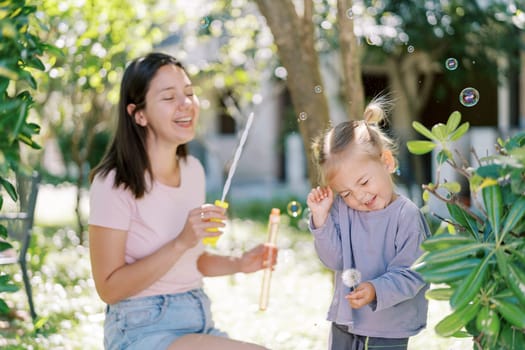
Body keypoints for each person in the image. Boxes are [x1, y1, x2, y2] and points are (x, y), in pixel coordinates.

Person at [88, 52, 275, 350]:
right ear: (139, 114)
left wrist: (240, 263)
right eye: (169, 97)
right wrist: (180, 241)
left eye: (189, 93)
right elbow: (108, 288)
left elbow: (192, 263)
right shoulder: (113, 183)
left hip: (198, 320)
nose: (186, 103)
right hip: (141, 329)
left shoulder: (193, 172)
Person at [306, 98, 431, 350]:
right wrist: (321, 219)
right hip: (346, 321)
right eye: (346, 193)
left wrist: (376, 289)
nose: (359, 197)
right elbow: (335, 261)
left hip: (388, 328)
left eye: (363, 183)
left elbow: (415, 272)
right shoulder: (343, 210)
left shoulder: (406, 216)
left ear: (387, 162)